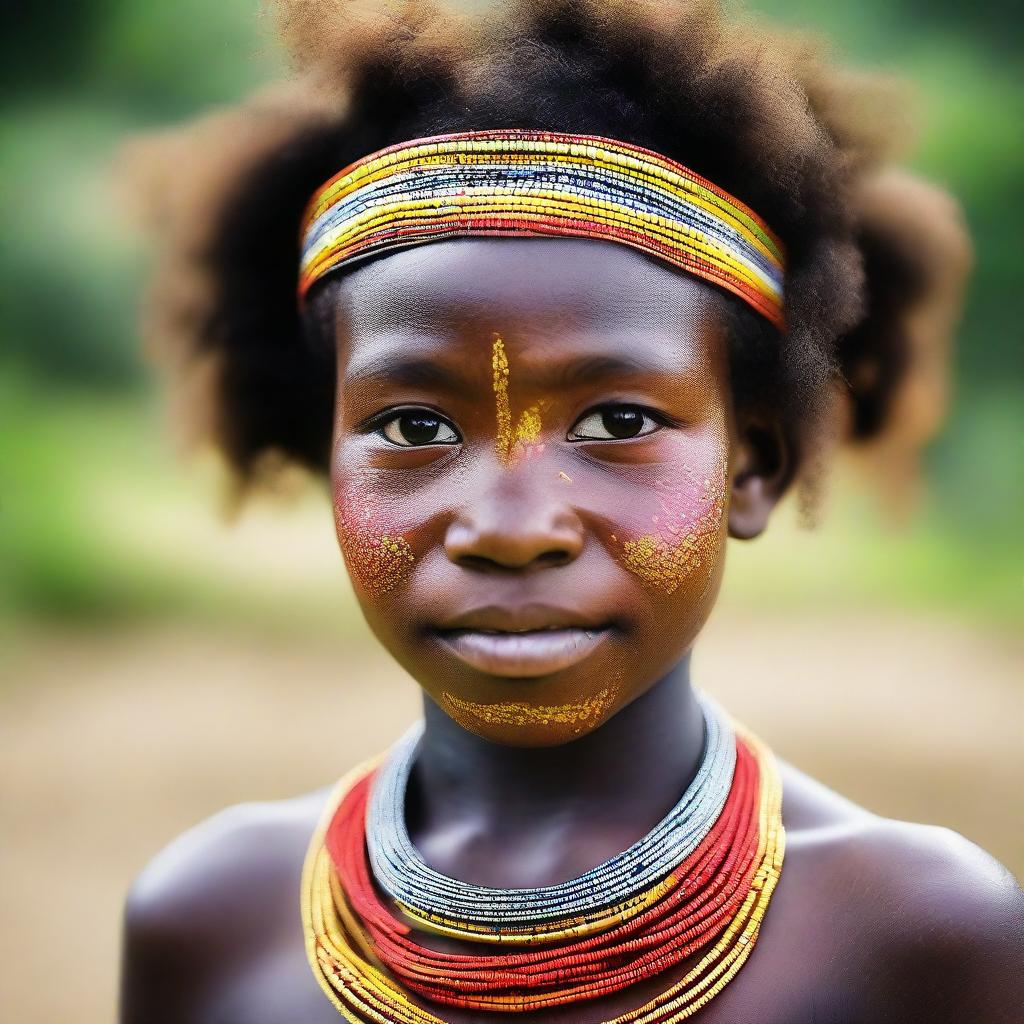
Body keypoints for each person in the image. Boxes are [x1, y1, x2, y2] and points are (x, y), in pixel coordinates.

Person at [118, 1, 1023, 1021]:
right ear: (329, 457)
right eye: (415, 429)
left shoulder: (910, 937)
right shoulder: (209, 921)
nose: (510, 526)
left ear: (752, 469)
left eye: (618, 419)